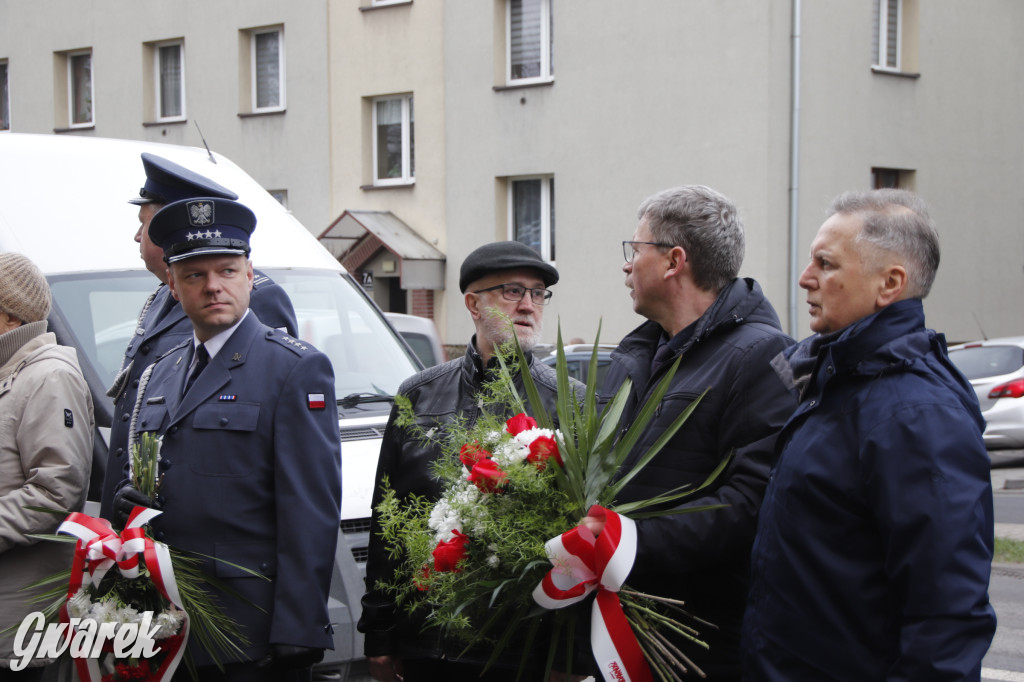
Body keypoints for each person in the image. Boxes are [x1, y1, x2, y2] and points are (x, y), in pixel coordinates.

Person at [743, 189, 997, 680]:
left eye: (826, 263)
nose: (805, 278)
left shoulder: (916, 413)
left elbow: (946, 616)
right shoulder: (838, 381)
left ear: (890, 284)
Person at [111, 197, 341, 682]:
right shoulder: (160, 373)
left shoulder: (294, 368)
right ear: (172, 285)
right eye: (194, 275)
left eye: (227, 270)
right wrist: (133, 506)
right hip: (167, 624)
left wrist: (300, 626)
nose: (213, 286)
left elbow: (310, 509)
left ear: (250, 276)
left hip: (247, 630)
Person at [584, 185, 796, 681]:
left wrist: (630, 541)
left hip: (702, 643)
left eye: (635, 251)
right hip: (624, 626)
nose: (626, 266)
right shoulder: (634, 357)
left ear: (674, 261)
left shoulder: (763, 357)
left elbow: (752, 503)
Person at [358, 241, 584, 682]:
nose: (528, 305)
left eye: (538, 293)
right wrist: (380, 636)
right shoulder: (418, 395)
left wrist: (568, 656)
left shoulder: (568, 400)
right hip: (429, 644)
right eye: (512, 291)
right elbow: (387, 521)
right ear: (473, 303)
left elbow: (583, 538)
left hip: (520, 649)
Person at [99, 153, 298, 521]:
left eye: (144, 224)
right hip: (140, 510)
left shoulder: (257, 299)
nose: (137, 235)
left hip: (208, 519)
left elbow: (257, 406)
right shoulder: (163, 296)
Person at [0, 253, 94, 679]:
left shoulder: (48, 377)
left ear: (11, 318)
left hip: (19, 620)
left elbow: (56, 493)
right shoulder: (13, 374)